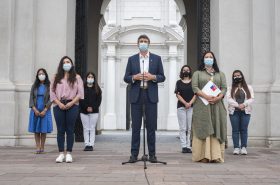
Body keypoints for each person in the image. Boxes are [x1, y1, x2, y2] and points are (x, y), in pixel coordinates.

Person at [124, 34, 165, 163]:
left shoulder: (157, 59)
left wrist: (153, 77)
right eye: (141, 41)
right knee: (136, 127)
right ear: (138, 44)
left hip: (150, 95)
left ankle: (152, 154)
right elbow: (126, 77)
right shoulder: (132, 59)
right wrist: (134, 77)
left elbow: (162, 77)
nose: (143, 43)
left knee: (151, 127)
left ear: (149, 43)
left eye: (145, 41)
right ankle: (134, 154)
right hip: (137, 95)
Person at [191, 51, 227, 163]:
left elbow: (224, 88)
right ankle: (202, 156)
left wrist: (218, 97)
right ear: (203, 59)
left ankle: (216, 156)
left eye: (211, 57)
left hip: (217, 105)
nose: (209, 58)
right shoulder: (197, 73)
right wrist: (206, 96)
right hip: (202, 105)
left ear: (214, 59)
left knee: (216, 126)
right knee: (202, 125)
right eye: (206, 57)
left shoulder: (220, 74)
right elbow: (195, 87)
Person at [50, 56, 84, 163]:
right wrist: (59, 103)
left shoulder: (77, 77)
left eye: (68, 62)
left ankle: (69, 153)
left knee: (70, 129)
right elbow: (52, 93)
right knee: (60, 130)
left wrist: (71, 103)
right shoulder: (55, 77)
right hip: (58, 104)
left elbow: (80, 93)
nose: (66, 64)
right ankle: (61, 153)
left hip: (72, 105)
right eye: (64, 62)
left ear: (71, 64)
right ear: (61, 64)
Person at [227, 70, 254, 155]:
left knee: (244, 130)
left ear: (242, 76)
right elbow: (228, 99)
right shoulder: (230, 88)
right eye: (235, 76)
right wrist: (237, 105)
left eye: (238, 75)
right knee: (235, 130)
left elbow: (252, 98)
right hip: (234, 112)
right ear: (233, 77)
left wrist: (244, 104)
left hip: (245, 112)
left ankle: (243, 147)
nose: (237, 77)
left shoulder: (248, 87)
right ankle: (236, 147)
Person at [28, 68, 53, 154]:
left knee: (43, 129)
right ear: (37, 76)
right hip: (35, 109)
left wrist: (45, 109)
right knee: (36, 129)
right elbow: (31, 98)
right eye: (39, 74)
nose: (41, 75)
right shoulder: (34, 86)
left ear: (45, 75)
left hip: (45, 109)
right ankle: (37, 146)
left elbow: (51, 98)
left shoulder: (49, 86)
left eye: (42, 74)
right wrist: (34, 109)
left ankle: (42, 146)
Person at [175, 65, 196, 153]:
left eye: (187, 70)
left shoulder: (193, 82)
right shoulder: (178, 82)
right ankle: (184, 146)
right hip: (181, 107)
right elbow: (177, 94)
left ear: (190, 71)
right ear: (182, 71)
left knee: (190, 127)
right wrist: (185, 103)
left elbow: (196, 94)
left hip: (191, 107)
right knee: (183, 127)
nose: (186, 71)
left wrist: (190, 103)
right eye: (184, 70)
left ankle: (189, 146)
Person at [79, 72, 102, 151]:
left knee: (92, 128)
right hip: (83, 111)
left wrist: (92, 107)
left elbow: (98, 101)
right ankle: (86, 144)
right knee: (85, 128)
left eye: (92, 77)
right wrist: (86, 107)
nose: (90, 78)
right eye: (89, 76)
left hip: (94, 111)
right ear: (86, 78)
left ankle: (91, 144)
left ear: (94, 79)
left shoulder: (97, 89)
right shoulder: (82, 88)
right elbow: (80, 99)